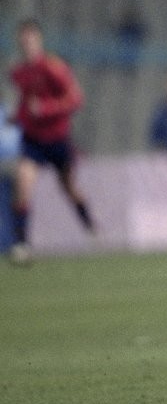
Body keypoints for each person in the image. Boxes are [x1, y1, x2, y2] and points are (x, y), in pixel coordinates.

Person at [7, 18, 94, 266]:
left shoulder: (53, 67)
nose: (27, 45)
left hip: (57, 138)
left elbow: (76, 99)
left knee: (68, 188)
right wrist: (18, 116)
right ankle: (22, 244)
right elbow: (25, 104)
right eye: (23, 41)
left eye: (31, 40)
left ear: (39, 41)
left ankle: (89, 226)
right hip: (32, 140)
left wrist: (47, 108)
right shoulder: (18, 72)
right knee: (23, 183)